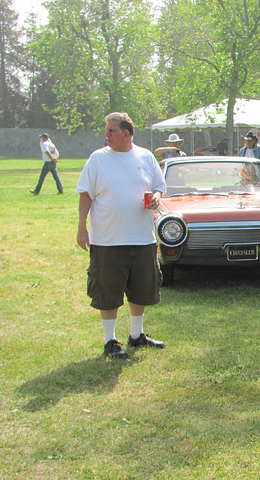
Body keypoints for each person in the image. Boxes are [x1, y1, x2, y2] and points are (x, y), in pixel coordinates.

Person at [76, 112, 167, 359]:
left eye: (111, 130)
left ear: (126, 133)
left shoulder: (145, 157)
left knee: (142, 289)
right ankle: (110, 341)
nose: (106, 134)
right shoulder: (98, 159)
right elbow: (85, 194)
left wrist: (157, 196)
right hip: (108, 239)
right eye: (106, 130)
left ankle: (136, 336)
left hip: (142, 237)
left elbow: (158, 186)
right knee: (108, 291)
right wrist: (82, 227)